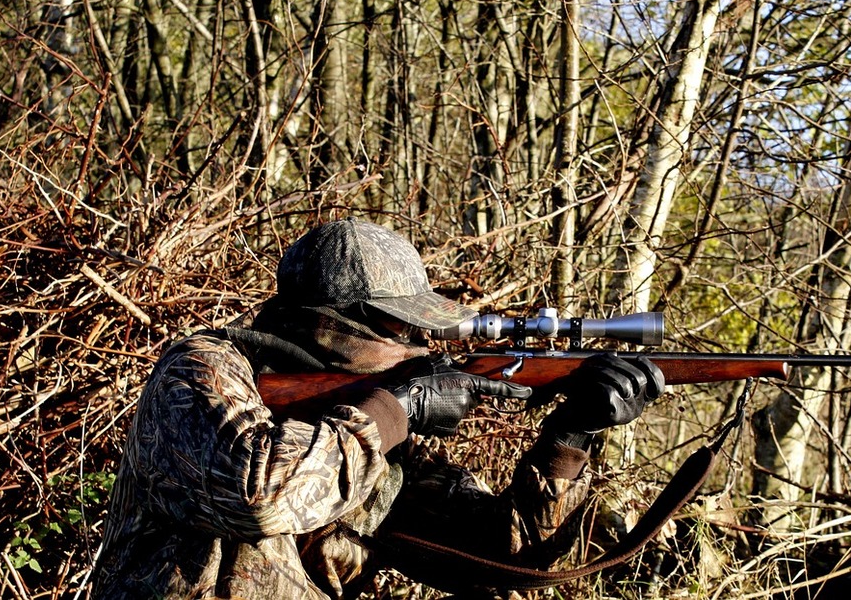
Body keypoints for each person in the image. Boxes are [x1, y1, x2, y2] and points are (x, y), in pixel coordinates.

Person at [91, 218, 664, 599]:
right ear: (335, 325)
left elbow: (512, 558)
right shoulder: (202, 371)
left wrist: (569, 437)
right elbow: (258, 497)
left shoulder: (372, 438)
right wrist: (398, 408)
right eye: (404, 328)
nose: (421, 346)